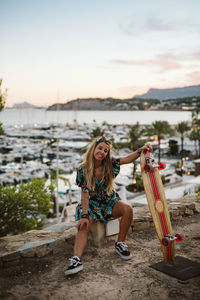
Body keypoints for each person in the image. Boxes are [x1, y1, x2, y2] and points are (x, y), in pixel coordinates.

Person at [64, 136, 152, 275]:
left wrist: (141, 150)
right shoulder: (83, 169)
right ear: (94, 148)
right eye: (100, 148)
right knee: (84, 224)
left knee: (127, 209)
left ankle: (120, 244)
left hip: (109, 201)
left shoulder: (110, 164)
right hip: (91, 204)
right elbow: (85, 194)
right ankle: (76, 260)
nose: (102, 152)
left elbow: (127, 159)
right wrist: (85, 215)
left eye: (105, 150)